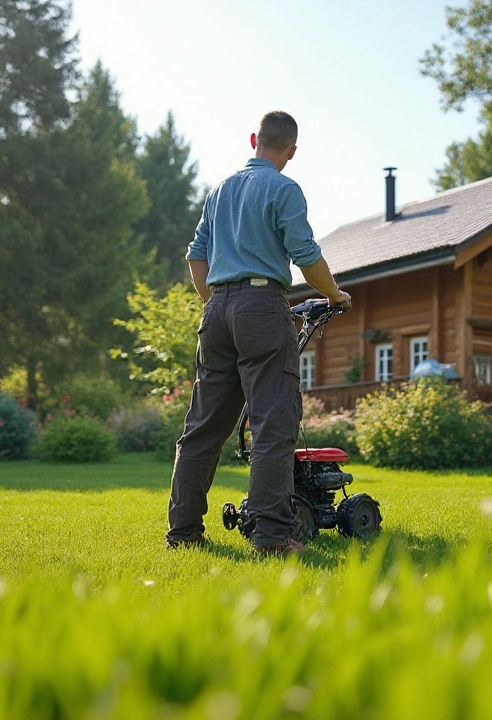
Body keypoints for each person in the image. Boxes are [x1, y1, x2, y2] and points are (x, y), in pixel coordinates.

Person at [165, 110, 350, 555]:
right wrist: (335, 294)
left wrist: (216, 304)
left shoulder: (220, 191)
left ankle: (183, 534)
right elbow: (305, 253)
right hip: (262, 307)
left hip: (217, 309)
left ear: (253, 139)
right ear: (291, 151)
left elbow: (195, 257)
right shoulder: (284, 188)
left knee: (203, 429)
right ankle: (271, 536)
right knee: (273, 425)